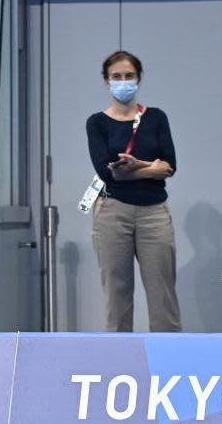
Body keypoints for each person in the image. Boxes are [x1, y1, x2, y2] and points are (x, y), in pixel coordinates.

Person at [85, 50, 181, 332]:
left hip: (154, 212)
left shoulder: (156, 118)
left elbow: (171, 166)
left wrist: (136, 166)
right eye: (116, 77)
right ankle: (119, 358)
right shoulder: (97, 123)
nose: (123, 81)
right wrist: (153, 167)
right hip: (113, 212)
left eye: (129, 76)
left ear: (139, 79)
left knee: (162, 291)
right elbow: (108, 173)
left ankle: (169, 357)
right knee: (117, 293)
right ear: (106, 81)